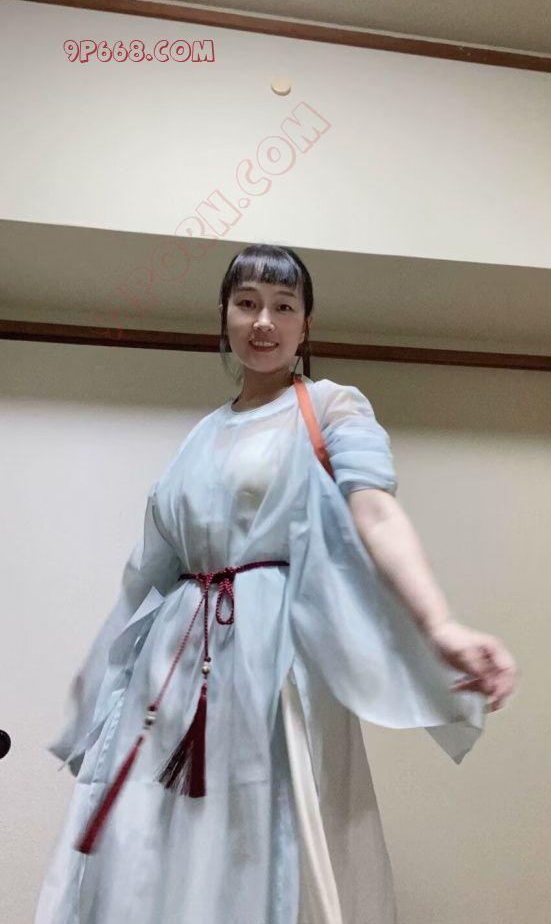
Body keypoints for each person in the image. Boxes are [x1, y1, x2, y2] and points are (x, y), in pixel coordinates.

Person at [35, 244, 517, 924]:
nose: (264, 321)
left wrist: (439, 624)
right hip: (174, 670)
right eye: (248, 303)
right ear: (225, 317)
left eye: (283, 307)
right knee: (156, 840)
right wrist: (106, 690)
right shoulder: (201, 435)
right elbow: (149, 573)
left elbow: (375, 511)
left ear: (304, 324)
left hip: (273, 656)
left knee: (265, 830)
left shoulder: (329, 405)